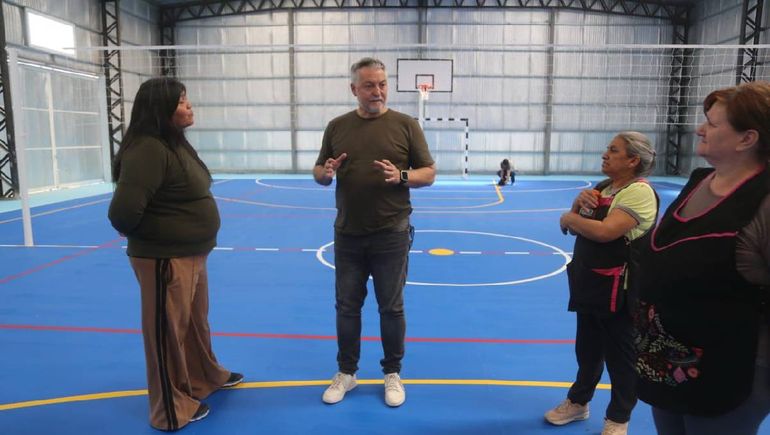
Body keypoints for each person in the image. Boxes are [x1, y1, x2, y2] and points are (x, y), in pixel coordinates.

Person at [634, 81, 770, 435]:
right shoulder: (699, 181)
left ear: (747, 139)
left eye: (712, 123)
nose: (700, 128)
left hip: (732, 369)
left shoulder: (764, 201)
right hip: (669, 359)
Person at [108, 77, 243, 431]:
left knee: (195, 322)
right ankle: (170, 409)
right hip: (164, 258)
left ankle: (202, 378)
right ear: (162, 109)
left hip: (191, 254)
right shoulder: (148, 149)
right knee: (167, 332)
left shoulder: (173, 144)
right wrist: (156, 235)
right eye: (182, 101)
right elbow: (122, 213)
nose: (189, 106)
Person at [313, 57, 436, 407]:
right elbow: (319, 172)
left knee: (391, 308)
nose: (377, 91)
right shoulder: (337, 127)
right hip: (348, 234)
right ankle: (347, 373)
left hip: (392, 233)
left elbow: (428, 172)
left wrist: (400, 176)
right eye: (369, 85)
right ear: (355, 89)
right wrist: (327, 172)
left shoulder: (405, 125)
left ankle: (392, 374)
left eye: (382, 84)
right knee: (347, 307)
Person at [548, 132, 659, 435]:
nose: (605, 154)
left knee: (621, 358)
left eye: (613, 150)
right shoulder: (602, 188)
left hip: (621, 290)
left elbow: (605, 232)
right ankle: (578, 402)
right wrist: (574, 207)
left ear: (633, 160)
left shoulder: (639, 192)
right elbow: (569, 226)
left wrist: (569, 219)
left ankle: (618, 418)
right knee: (587, 350)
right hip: (590, 282)